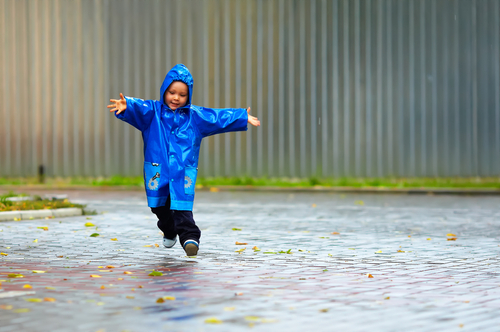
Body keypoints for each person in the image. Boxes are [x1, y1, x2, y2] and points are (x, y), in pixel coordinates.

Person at [107, 64, 260, 256]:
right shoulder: (152, 113)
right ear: (164, 91)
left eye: (182, 95)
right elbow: (139, 107)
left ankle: (190, 238)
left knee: (181, 207)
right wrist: (127, 105)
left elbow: (216, 117)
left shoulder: (194, 117)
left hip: (182, 173)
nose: (176, 98)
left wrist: (241, 116)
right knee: (158, 207)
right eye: (172, 92)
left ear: (188, 97)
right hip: (158, 170)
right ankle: (169, 230)